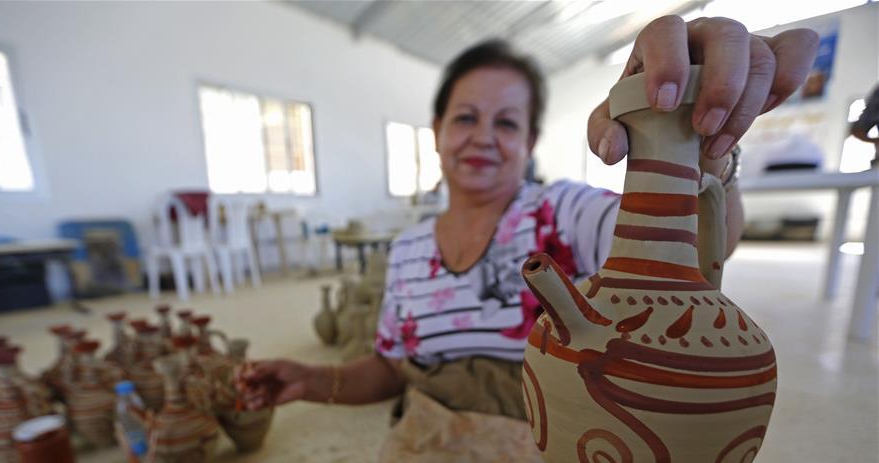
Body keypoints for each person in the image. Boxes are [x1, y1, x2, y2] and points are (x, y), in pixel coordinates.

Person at [238, 16, 819, 418]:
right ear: (437, 133)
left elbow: (690, 253)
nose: (483, 138)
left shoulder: (559, 214)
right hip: (436, 462)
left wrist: (702, 142)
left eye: (507, 123)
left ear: (530, 142)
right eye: (465, 118)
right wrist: (310, 381)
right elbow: (392, 371)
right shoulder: (407, 252)